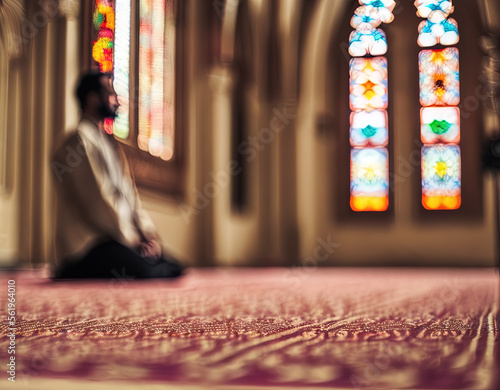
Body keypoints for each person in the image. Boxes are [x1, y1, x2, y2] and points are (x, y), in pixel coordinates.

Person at [51, 71, 183, 279]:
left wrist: (147, 235)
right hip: (89, 244)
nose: (117, 100)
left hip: (116, 238)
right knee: (148, 271)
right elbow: (98, 203)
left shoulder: (109, 144)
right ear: (91, 98)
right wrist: (132, 240)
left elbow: (130, 198)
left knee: (173, 266)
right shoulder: (78, 142)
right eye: (110, 93)